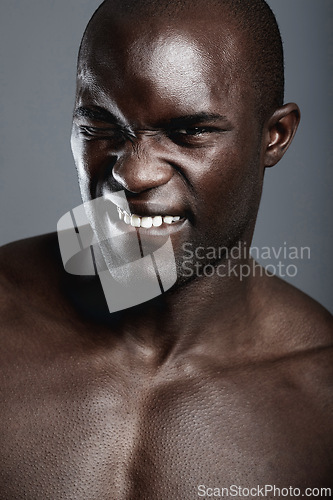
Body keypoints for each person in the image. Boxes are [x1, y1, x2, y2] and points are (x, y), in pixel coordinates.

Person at [0, 0, 332, 498]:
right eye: (101, 128)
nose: (132, 173)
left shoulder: (320, 398)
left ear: (275, 136)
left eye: (189, 133)